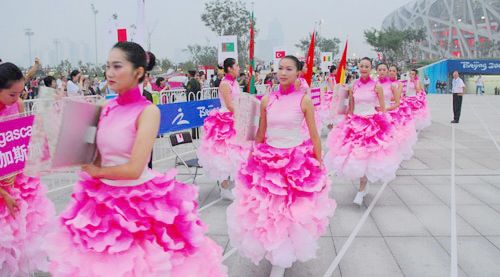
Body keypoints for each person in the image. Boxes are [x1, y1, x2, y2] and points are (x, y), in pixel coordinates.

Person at [45, 42, 227, 276]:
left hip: (138, 202)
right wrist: (66, 134)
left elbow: (134, 168)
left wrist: (96, 171)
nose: (109, 72)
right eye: (108, 66)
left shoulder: (148, 111)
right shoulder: (104, 108)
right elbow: (93, 157)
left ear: (138, 72)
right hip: (101, 202)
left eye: (117, 66)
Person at [227, 55, 336, 277]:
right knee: (268, 212)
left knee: (290, 213)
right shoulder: (268, 100)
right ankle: (276, 250)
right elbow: (261, 132)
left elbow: (314, 134)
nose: (283, 73)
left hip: (296, 163)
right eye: (280, 68)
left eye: (289, 69)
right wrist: (252, 155)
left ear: (298, 73)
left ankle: (282, 260)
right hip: (268, 161)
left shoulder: (303, 100)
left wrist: (319, 160)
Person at [0, 62, 55, 276]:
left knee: (19, 243)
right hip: (3, 189)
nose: (17, 99)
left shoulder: (19, 106)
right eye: (12, 94)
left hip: (18, 183)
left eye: (19, 93)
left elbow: (22, 143)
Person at [325, 57, 401, 205]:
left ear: (371, 68)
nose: (364, 68)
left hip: (372, 124)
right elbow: (351, 108)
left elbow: (383, 109)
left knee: (368, 157)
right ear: (359, 68)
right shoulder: (354, 85)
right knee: (356, 157)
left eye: (367, 66)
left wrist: (385, 127)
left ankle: (361, 189)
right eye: (362, 66)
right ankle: (363, 184)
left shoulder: (377, 86)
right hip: (355, 123)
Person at [197, 58, 249, 201]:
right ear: (230, 68)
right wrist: (242, 114)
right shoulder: (225, 84)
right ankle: (225, 187)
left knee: (237, 152)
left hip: (236, 118)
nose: (239, 68)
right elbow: (229, 104)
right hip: (226, 120)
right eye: (237, 66)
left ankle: (232, 184)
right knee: (224, 153)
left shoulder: (235, 82)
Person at [378, 63, 417, 161]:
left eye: (393, 71)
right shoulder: (378, 83)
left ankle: (393, 152)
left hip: (392, 109)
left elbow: (397, 97)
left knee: (394, 132)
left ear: (396, 73)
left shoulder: (398, 84)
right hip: (381, 109)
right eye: (390, 70)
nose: (391, 72)